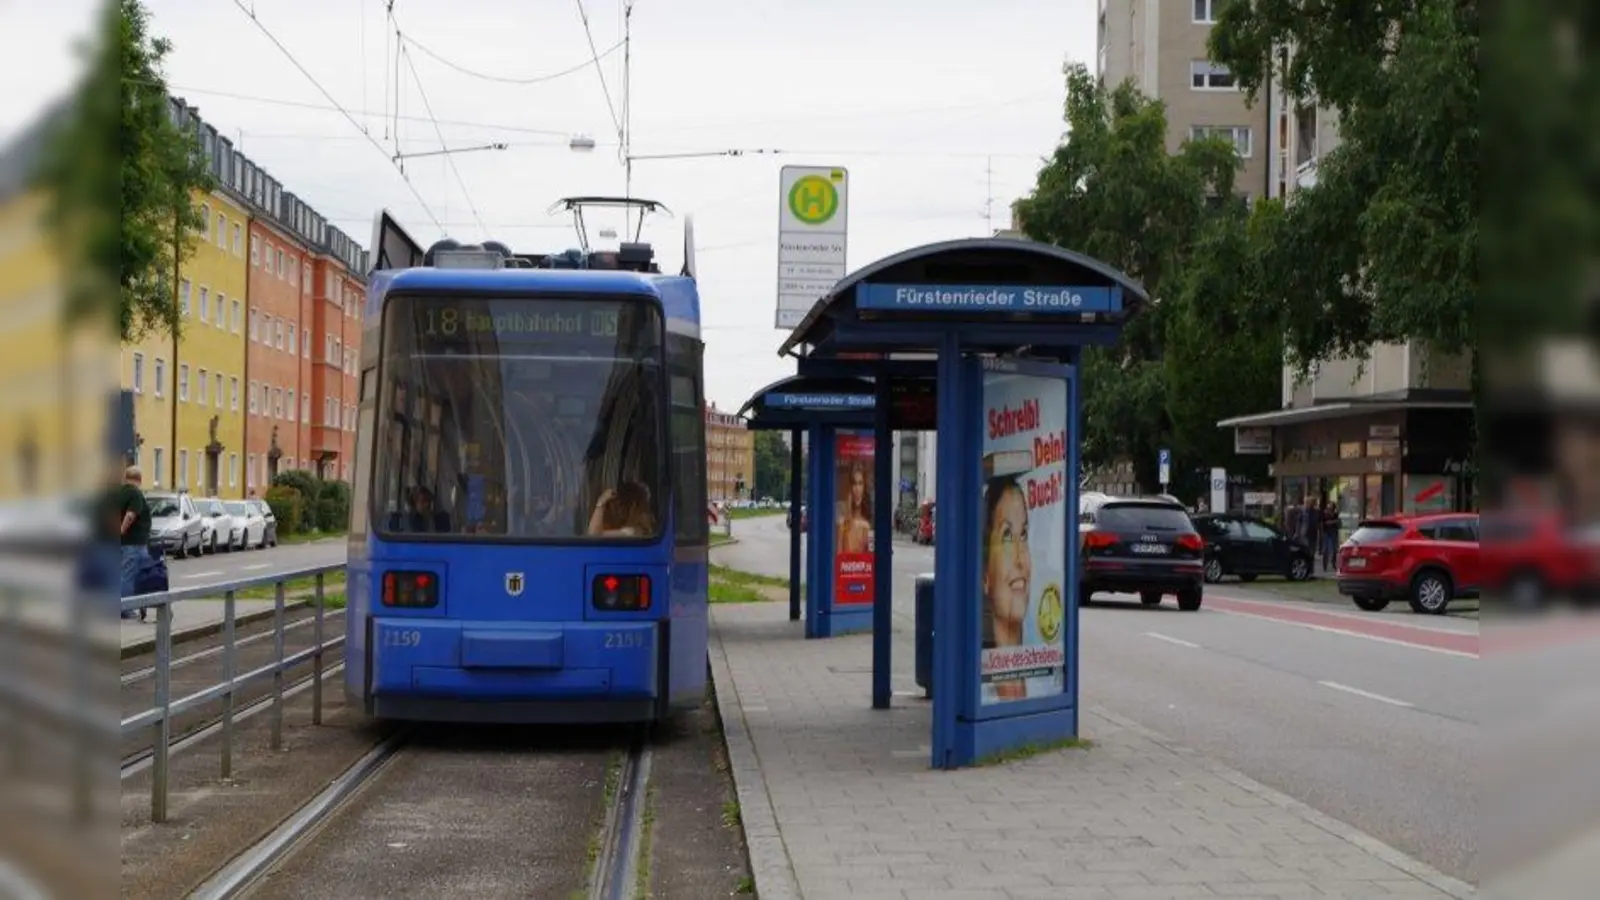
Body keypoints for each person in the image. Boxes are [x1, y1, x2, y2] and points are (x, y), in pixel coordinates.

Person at [980, 476, 1031, 701]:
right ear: (985, 575)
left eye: (1024, 534)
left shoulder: (1043, 683)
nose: (1020, 558)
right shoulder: (977, 689)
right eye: (1007, 536)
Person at [114, 466, 153, 618]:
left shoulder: (119, 493)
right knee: (131, 574)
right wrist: (121, 530)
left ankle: (134, 603)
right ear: (140, 480)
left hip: (125, 543)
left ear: (125, 478)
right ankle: (125, 608)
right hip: (134, 542)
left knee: (125, 573)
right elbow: (130, 515)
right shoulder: (135, 493)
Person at [588, 481, 655, 536]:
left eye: (621, 504)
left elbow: (594, 535)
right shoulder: (638, 529)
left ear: (633, 506)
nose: (619, 509)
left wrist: (601, 503)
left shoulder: (631, 532)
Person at [836, 462, 872, 554]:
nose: (857, 489)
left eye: (860, 484)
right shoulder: (843, 522)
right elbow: (839, 553)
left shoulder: (866, 524)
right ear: (850, 488)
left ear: (864, 487)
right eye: (854, 484)